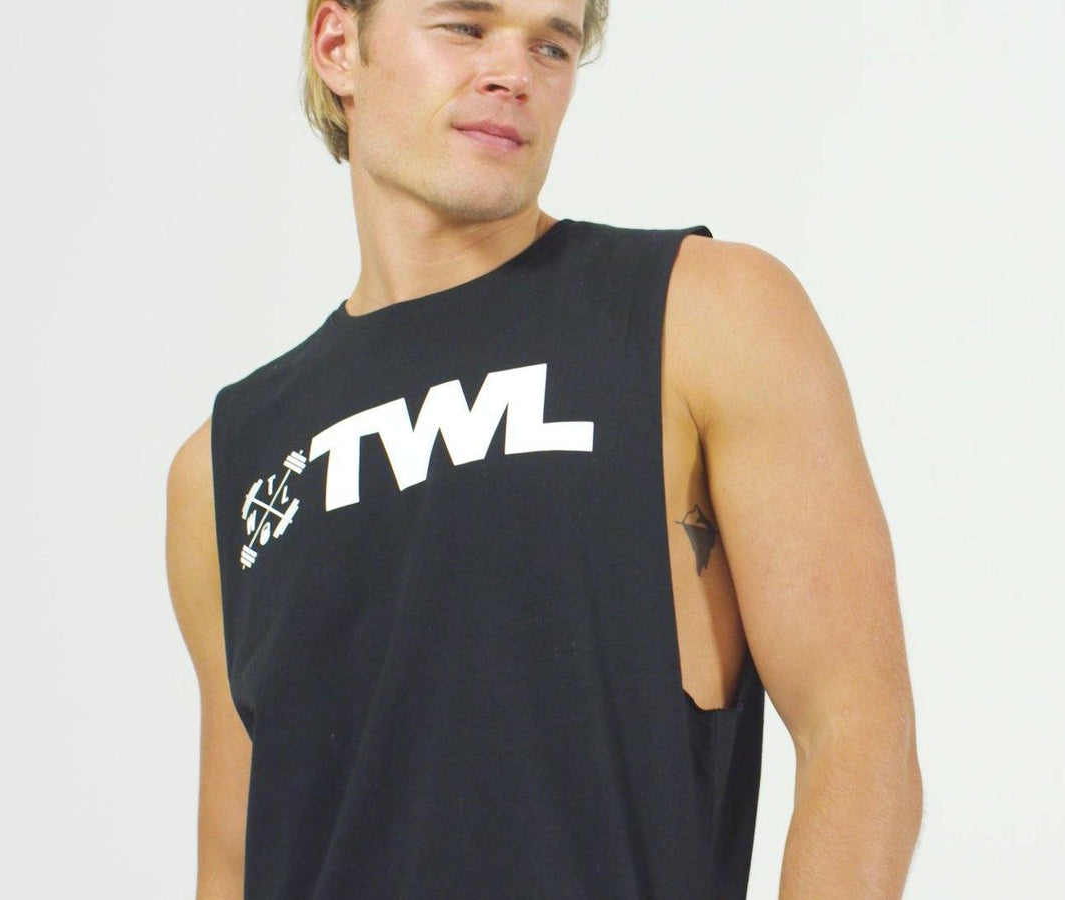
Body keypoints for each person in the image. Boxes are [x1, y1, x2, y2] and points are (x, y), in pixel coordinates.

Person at [164, 1, 922, 896]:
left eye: (552, 45)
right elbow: (235, 862)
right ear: (338, 45)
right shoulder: (228, 463)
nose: (513, 73)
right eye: (465, 26)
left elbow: (856, 736)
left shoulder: (703, 314)